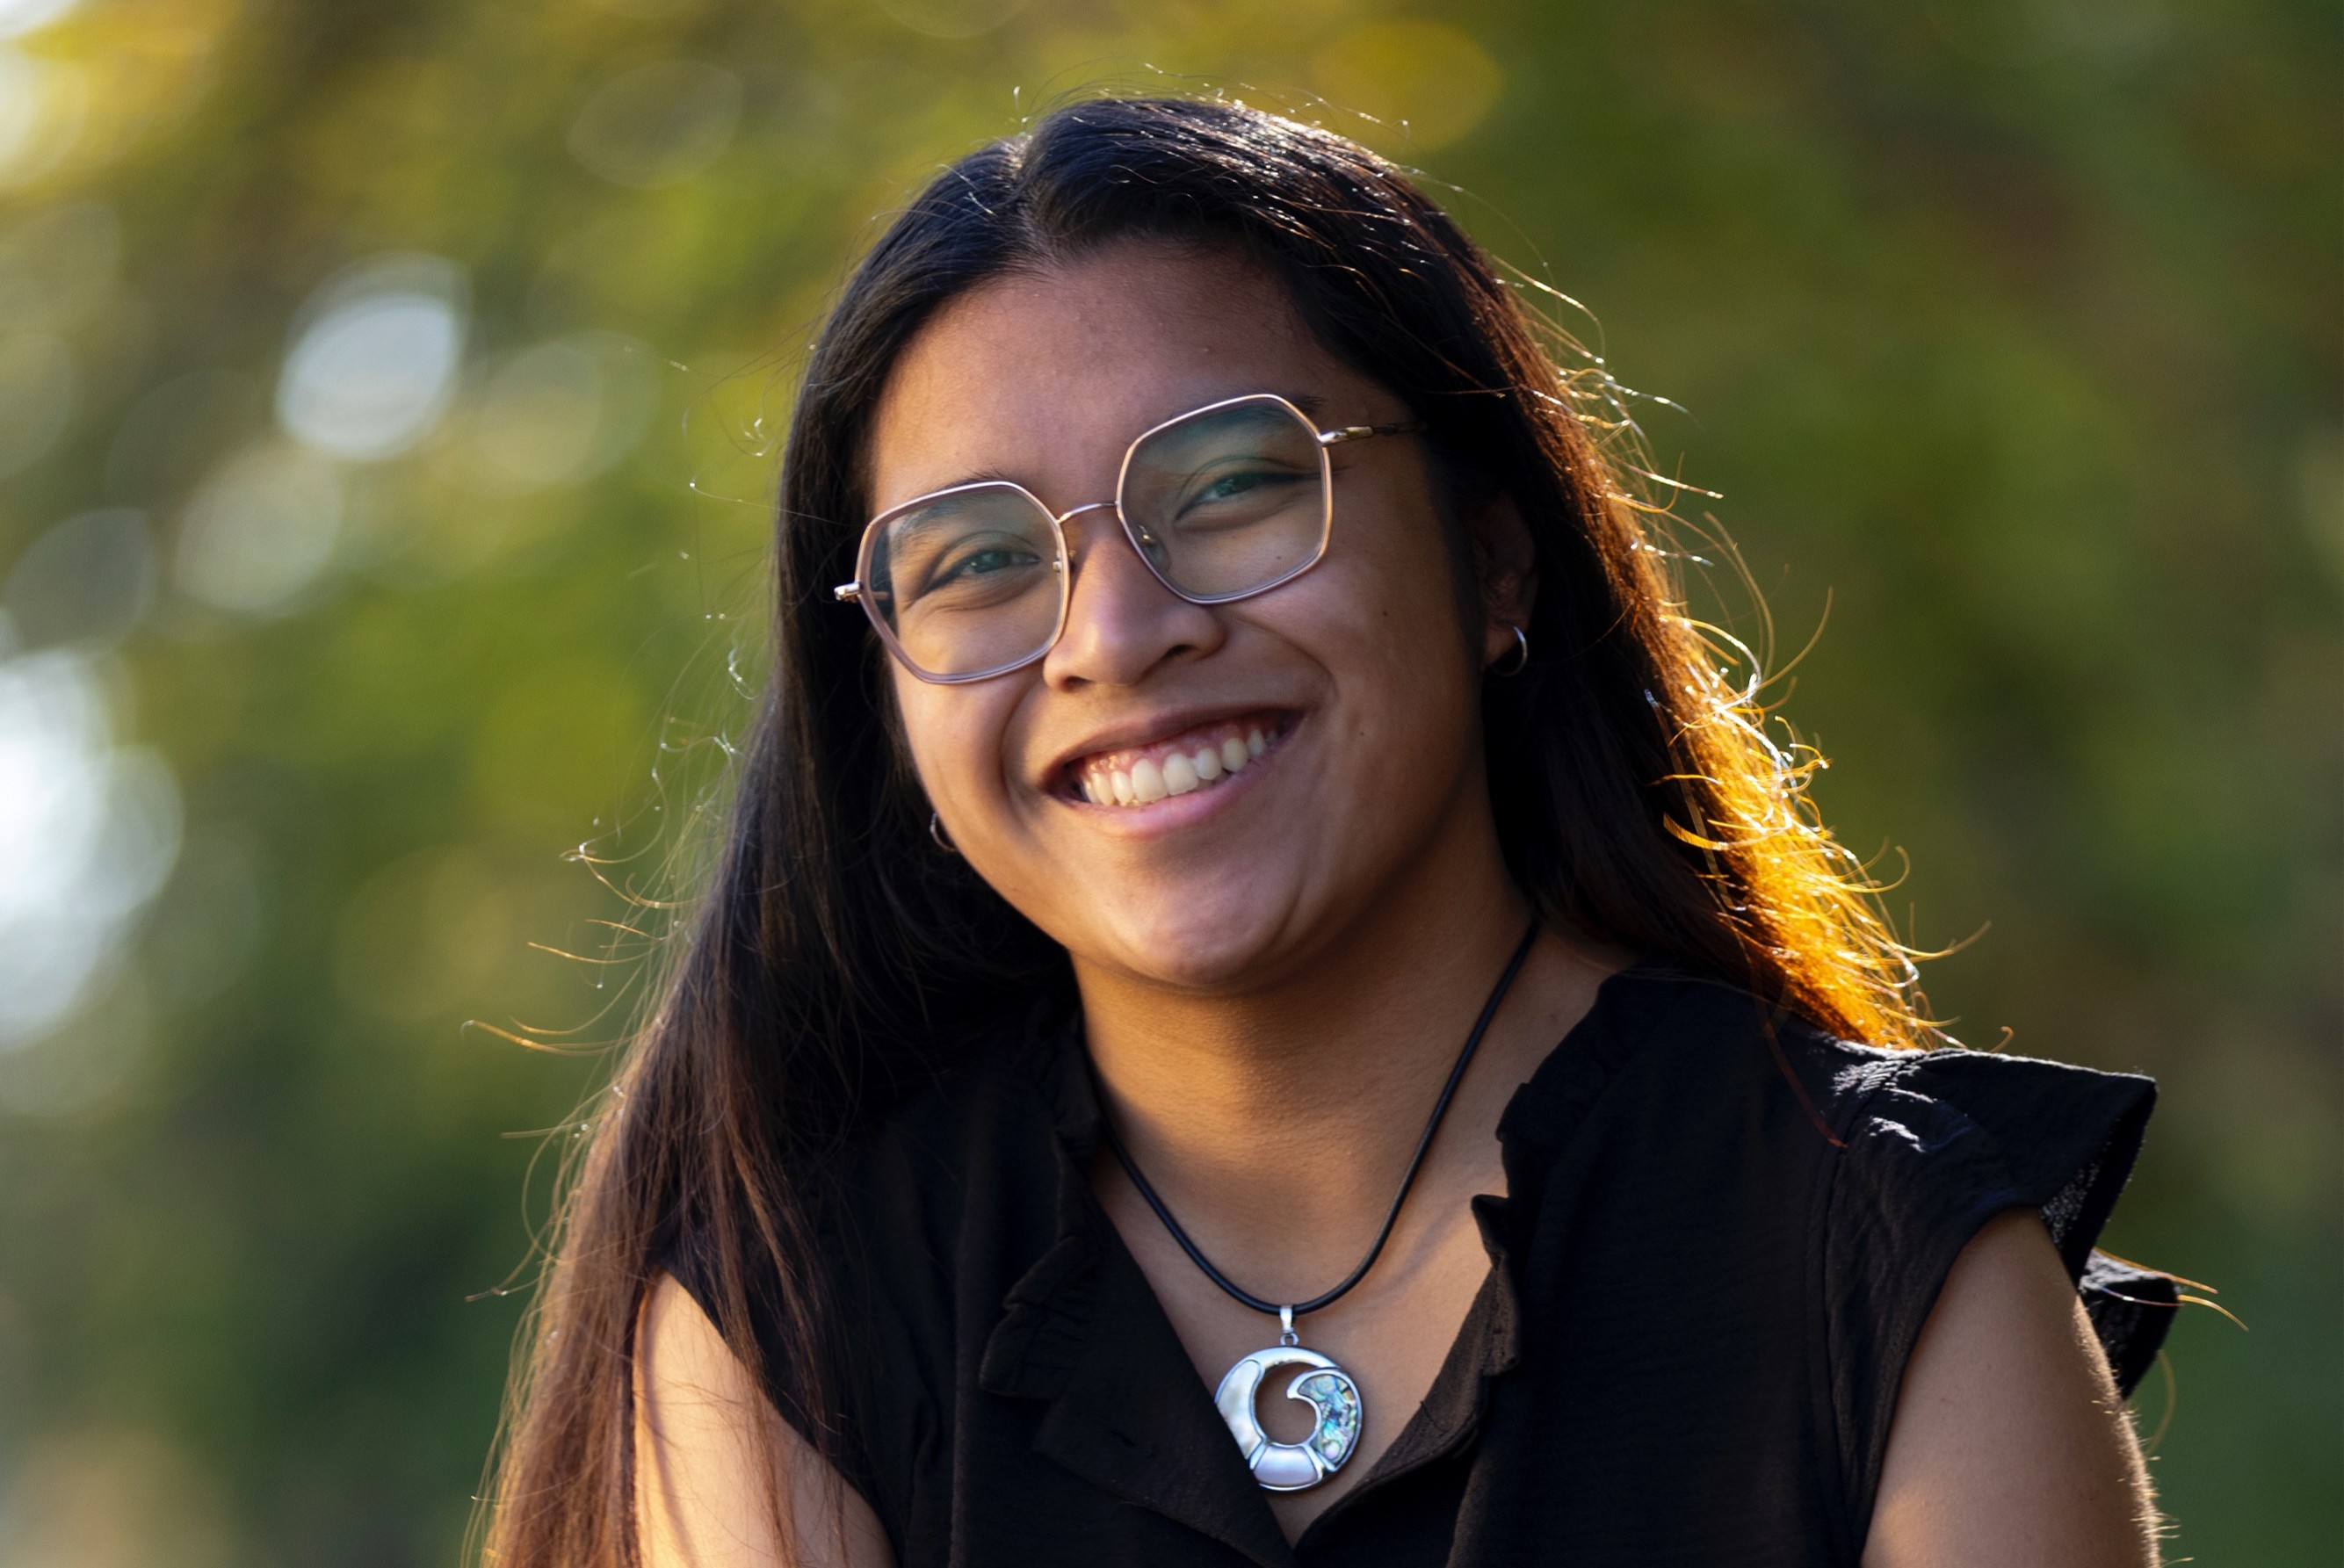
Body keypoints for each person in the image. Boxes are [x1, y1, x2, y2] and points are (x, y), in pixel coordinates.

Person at [483, 97, 2174, 1568]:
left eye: (1229, 487)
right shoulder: (796, 1316)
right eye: (978, 558)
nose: (1114, 635)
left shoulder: (1886, 1245)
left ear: (1495, 554)